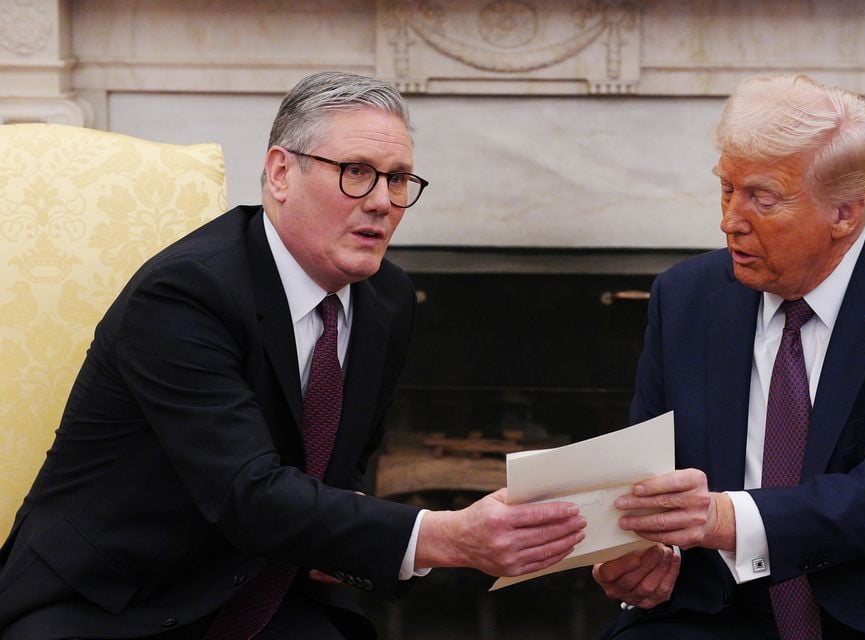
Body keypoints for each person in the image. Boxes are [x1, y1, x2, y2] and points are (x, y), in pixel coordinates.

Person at [0, 71, 586, 640]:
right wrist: (447, 536)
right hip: (113, 602)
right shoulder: (185, 294)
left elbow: (341, 474)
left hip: (265, 591)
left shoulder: (388, 298)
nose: (383, 201)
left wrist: (369, 545)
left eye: (399, 178)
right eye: (357, 172)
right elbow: (245, 492)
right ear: (281, 172)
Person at [593, 75, 865, 640]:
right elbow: (648, 466)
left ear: (845, 213)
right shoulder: (686, 297)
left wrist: (721, 518)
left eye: (763, 198)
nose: (730, 220)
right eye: (726, 189)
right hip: (717, 608)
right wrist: (643, 548)